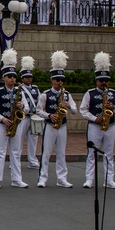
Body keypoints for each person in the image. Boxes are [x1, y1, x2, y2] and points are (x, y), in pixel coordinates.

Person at [79, 52, 115, 189]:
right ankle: (89, 179)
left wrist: (114, 107)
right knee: (91, 153)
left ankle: (109, 180)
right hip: (94, 126)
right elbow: (83, 110)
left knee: (109, 154)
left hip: (110, 126)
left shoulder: (113, 93)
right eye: (101, 80)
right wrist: (95, 118)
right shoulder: (90, 93)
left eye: (106, 80)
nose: (104, 83)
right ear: (96, 80)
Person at [0, 50, 29, 188]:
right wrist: (2, 119)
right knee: (0, 152)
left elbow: (28, 109)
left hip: (16, 124)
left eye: (14, 77)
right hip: (3, 124)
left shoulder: (20, 92)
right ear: (4, 77)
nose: (12, 79)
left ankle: (16, 179)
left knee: (16, 152)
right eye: (9, 76)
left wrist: (22, 106)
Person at [36, 51, 74, 188]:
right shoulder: (45, 95)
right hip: (50, 126)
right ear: (52, 80)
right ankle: (42, 178)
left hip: (62, 126)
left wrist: (68, 106)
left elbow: (75, 110)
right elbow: (38, 110)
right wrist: (49, 115)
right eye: (57, 80)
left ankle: (62, 178)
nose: (60, 82)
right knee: (46, 153)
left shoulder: (67, 94)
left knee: (61, 153)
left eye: (61, 80)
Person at [17, 57, 40, 170]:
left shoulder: (35, 88)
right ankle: (16, 161)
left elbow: (39, 101)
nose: (29, 79)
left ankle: (32, 160)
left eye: (30, 77)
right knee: (19, 139)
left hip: (33, 116)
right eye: (26, 77)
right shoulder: (19, 88)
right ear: (22, 78)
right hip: (23, 117)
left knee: (33, 139)